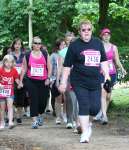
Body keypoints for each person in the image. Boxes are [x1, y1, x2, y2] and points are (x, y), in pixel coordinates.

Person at [59, 20, 110, 143]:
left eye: (89, 29)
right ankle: (85, 133)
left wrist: (107, 76)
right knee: (84, 104)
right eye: (83, 30)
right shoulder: (74, 45)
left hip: (95, 80)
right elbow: (67, 66)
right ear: (79, 32)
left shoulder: (98, 43)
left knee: (95, 108)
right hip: (79, 81)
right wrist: (63, 82)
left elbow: (103, 61)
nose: (86, 32)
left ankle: (87, 124)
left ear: (92, 30)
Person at [94, 28, 126, 124]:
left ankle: (100, 113)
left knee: (108, 96)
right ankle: (104, 116)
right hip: (101, 73)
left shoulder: (114, 47)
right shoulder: (98, 46)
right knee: (103, 93)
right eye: (104, 34)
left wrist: (122, 69)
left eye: (108, 34)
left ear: (110, 36)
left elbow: (117, 60)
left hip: (112, 73)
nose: (106, 36)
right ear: (101, 36)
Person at [21, 36, 51, 129]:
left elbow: (49, 68)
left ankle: (40, 114)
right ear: (32, 44)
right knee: (33, 100)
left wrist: (48, 78)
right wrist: (20, 81)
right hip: (31, 81)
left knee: (42, 102)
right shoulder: (27, 54)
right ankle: (34, 121)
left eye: (39, 43)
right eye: (35, 43)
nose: (37, 45)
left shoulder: (45, 54)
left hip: (43, 81)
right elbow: (24, 68)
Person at [0, 54, 22, 129]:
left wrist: (20, 83)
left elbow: (16, 79)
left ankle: (10, 121)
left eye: (11, 62)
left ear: (13, 63)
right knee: (2, 108)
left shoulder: (14, 70)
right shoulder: (1, 70)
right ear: (4, 62)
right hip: (1, 91)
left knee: (10, 107)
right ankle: (2, 122)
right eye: (7, 62)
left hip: (10, 91)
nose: (9, 64)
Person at [10, 38, 28, 124]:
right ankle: (11, 116)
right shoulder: (10, 55)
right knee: (12, 98)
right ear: (13, 45)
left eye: (19, 44)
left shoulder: (24, 55)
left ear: (21, 45)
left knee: (21, 98)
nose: (17, 46)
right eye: (16, 44)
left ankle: (19, 116)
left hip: (22, 78)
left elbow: (26, 67)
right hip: (12, 79)